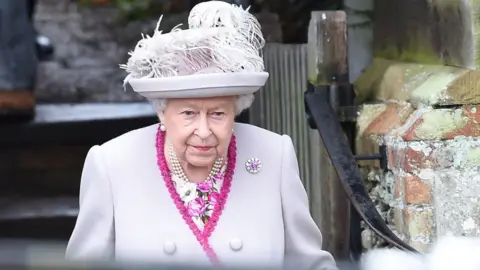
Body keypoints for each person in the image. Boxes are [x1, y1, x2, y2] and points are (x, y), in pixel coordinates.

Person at [65, 1, 337, 269]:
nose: (204, 131)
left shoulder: (273, 154)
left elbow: (310, 264)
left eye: (218, 114)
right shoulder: (113, 164)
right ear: (162, 112)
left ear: (236, 109)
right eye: (188, 114)